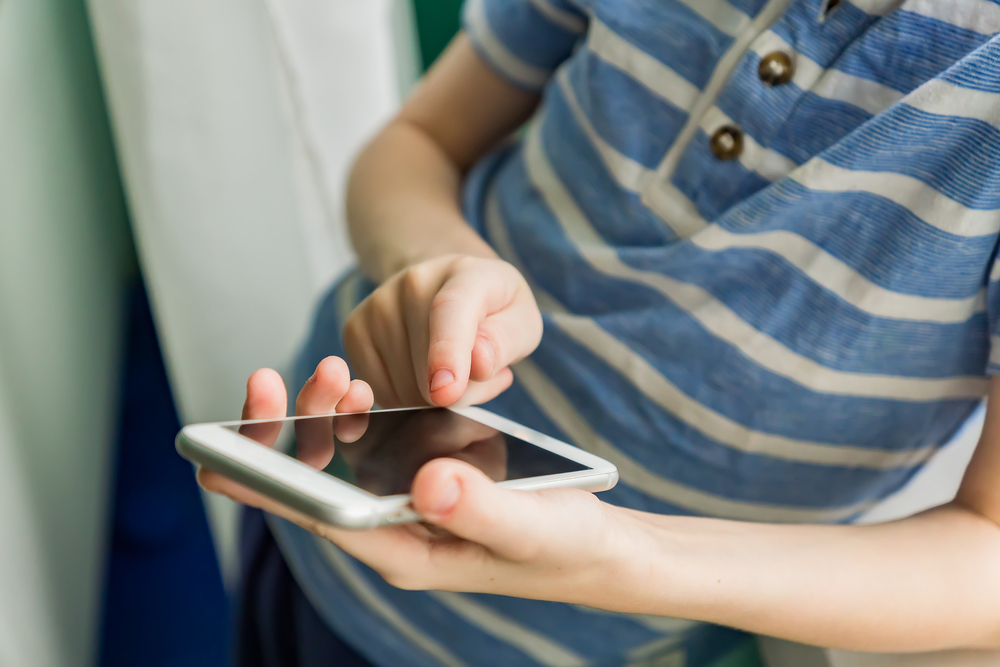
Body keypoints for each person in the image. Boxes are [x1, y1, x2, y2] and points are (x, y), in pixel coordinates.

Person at [200, 0, 1000, 664]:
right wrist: (438, 266)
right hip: (320, 504)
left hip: (585, 640)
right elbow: (417, 143)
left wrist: (621, 556)